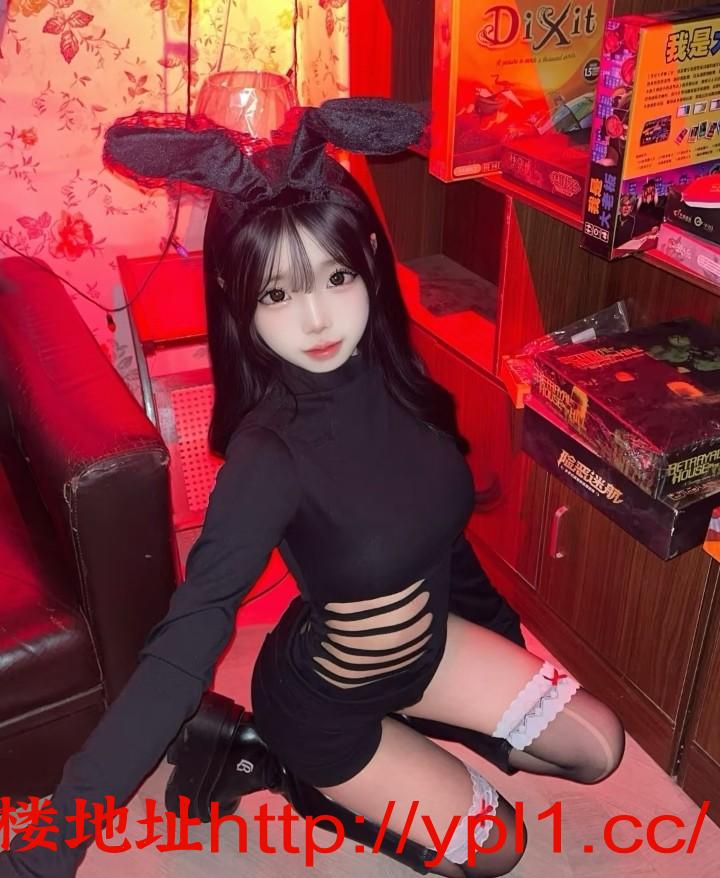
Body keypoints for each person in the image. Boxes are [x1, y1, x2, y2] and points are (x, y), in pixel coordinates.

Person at [0, 98, 625, 878]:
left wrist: (502, 671)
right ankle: (282, 766)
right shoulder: (269, 454)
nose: (319, 319)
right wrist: (52, 844)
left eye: (335, 276)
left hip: (427, 648)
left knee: (599, 747)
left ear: (369, 259)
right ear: (235, 295)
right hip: (326, 701)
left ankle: (410, 731)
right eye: (277, 294)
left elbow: (443, 543)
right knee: (500, 849)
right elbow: (180, 651)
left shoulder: (402, 381)